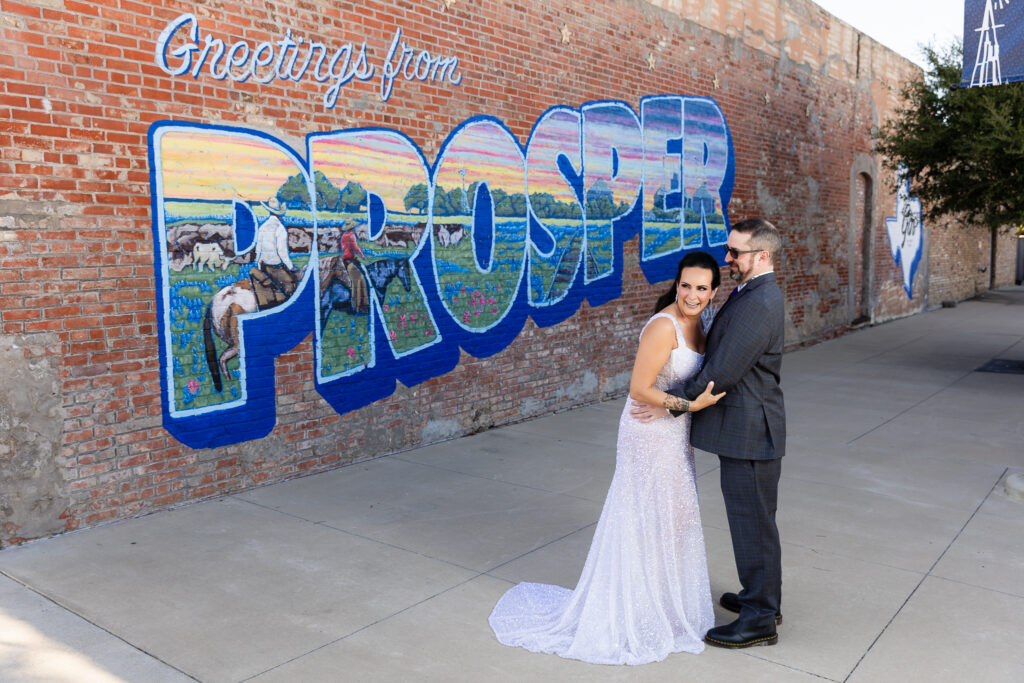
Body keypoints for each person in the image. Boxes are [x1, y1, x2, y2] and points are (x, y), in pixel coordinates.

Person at [489, 251, 725, 665]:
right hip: (648, 432)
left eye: (701, 288)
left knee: (675, 519)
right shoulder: (663, 325)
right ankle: (635, 611)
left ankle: (664, 606)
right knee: (647, 517)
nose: (692, 294)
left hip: (672, 431)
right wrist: (686, 407)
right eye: (685, 285)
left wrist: (675, 409)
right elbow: (638, 388)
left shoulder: (699, 321)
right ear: (676, 283)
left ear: (713, 291)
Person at [632, 217, 786, 649]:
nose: (728, 258)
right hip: (750, 429)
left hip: (751, 432)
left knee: (751, 525)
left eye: (735, 252)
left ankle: (759, 620)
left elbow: (720, 374)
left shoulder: (759, 301)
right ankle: (762, 600)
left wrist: (669, 404)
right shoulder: (753, 292)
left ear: (762, 256)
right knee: (757, 521)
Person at [251, 197, 299, 309]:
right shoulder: (280, 228)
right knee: (292, 288)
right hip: (275, 267)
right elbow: (282, 252)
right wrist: (291, 267)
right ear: (280, 214)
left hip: (263, 266)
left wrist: (258, 264)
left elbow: (258, 249)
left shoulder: (262, 227)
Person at [340, 226, 369, 314]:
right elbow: (355, 247)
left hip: (346, 260)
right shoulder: (351, 235)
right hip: (350, 261)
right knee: (359, 279)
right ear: (352, 228)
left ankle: (362, 305)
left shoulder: (344, 236)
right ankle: (357, 306)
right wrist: (363, 256)